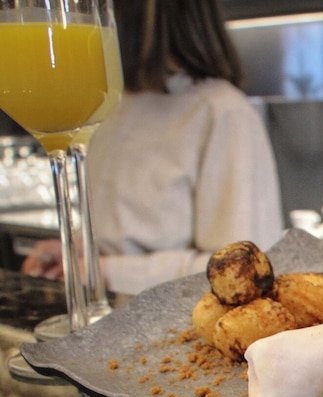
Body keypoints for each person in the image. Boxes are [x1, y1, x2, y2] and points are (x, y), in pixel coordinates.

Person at [20, 0, 283, 295]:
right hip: (106, 311)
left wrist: (105, 271)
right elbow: (122, 231)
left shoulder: (222, 112)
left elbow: (245, 270)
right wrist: (76, 252)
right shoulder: (113, 104)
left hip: (173, 319)